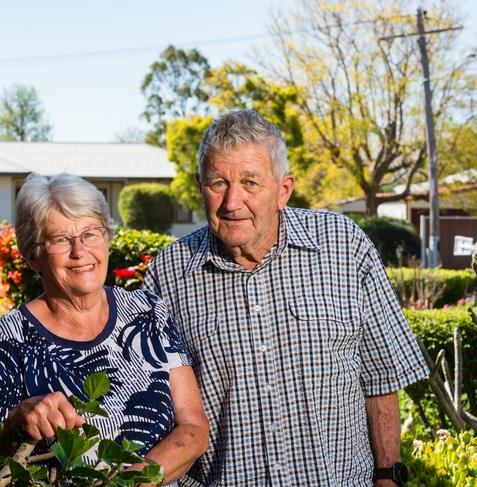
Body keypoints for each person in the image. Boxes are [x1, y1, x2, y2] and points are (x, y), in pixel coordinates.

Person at [143, 110, 429, 486]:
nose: (232, 201)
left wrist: (388, 475)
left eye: (250, 182)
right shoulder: (169, 273)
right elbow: (156, 408)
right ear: (200, 186)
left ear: (284, 189)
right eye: (218, 183)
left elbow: (380, 375)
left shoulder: (343, 245)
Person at [0, 173, 209, 485]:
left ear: (107, 238)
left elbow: (193, 429)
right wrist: (15, 425)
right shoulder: (8, 338)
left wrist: (128, 483)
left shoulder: (148, 311)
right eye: (60, 239)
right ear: (34, 256)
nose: (79, 251)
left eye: (90, 234)